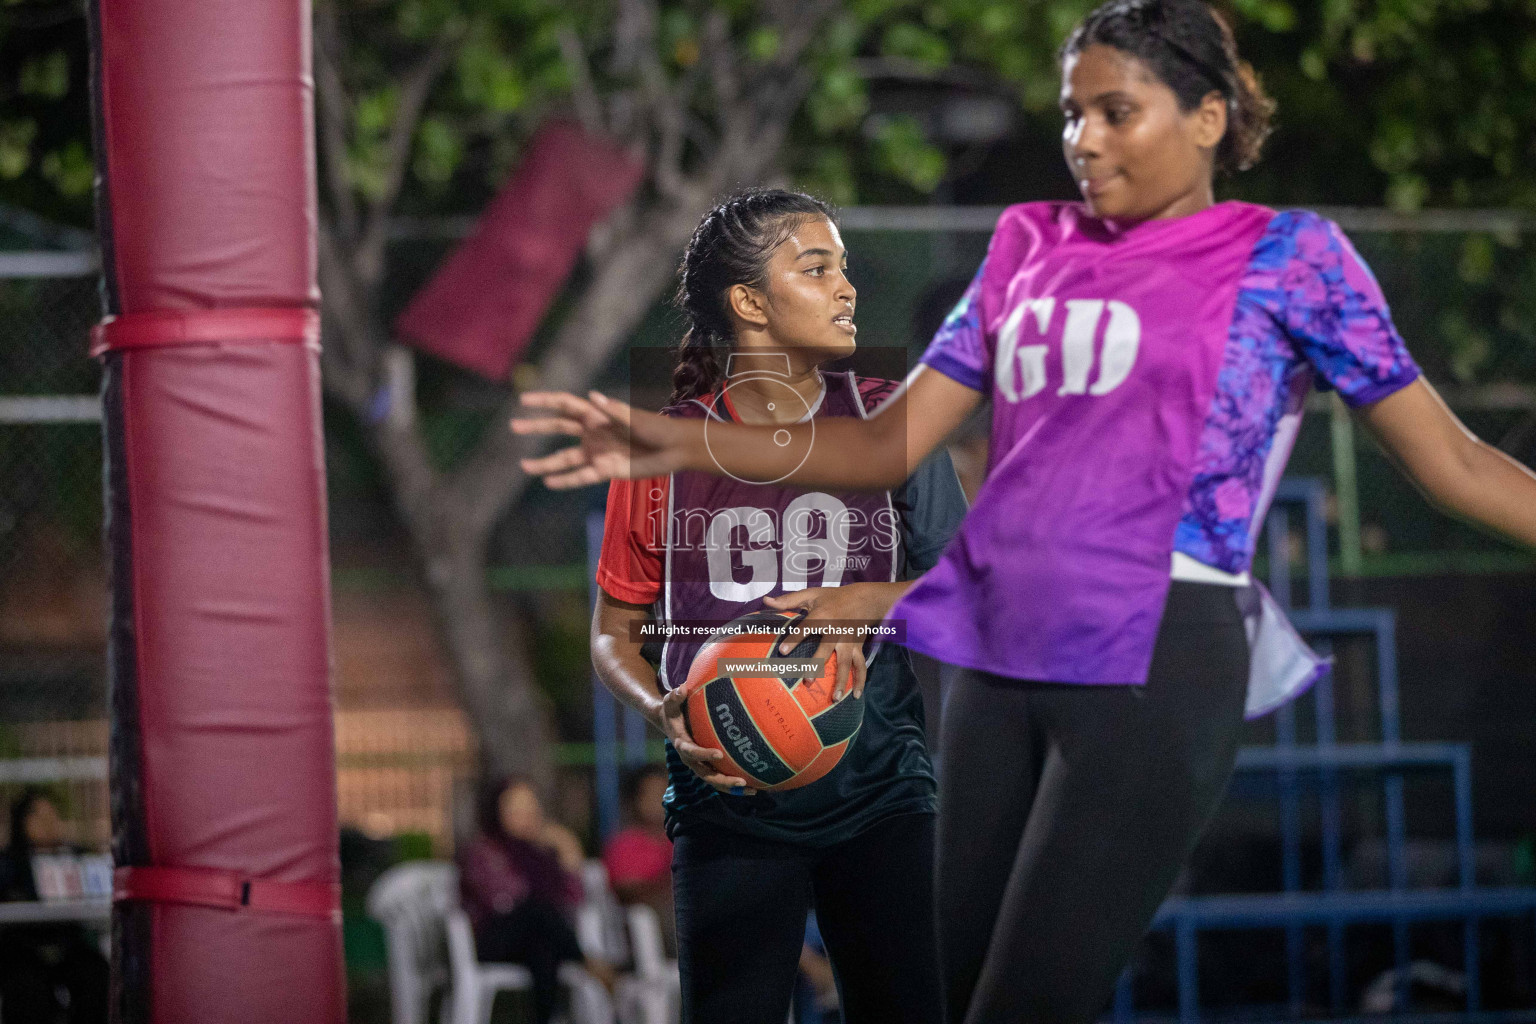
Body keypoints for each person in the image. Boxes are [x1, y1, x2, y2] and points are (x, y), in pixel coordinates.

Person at [512, 2, 1536, 1021]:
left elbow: (1452, 460)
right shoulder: (1026, 245)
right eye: (1069, 112)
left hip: (1155, 647)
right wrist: (681, 440)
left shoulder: (1292, 259)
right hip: (996, 662)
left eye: (1115, 111)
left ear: (1209, 117)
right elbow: (882, 442)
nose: (1082, 139)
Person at [587, 188, 968, 1024]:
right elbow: (613, 634)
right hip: (729, 801)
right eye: (818, 266)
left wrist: (873, 600)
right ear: (752, 302)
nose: (847, 287)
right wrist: (662, 708)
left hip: (880, 791)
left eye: (846, 267)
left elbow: (979, 594)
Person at [457, 776, 615, 1024]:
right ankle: (588, 961)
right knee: (535, 912)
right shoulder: (483, 852)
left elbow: (573, 901)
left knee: (542, 948)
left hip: (536, 938)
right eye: (515, 809)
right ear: (496, 811)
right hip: (494, 940)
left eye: (531, 808)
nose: (526, 815)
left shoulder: (543, 854)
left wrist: (569, 853)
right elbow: (509, 900)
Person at [0, 789, 109, 1024]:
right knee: (26, 989)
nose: (48, 825)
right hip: (24, 950)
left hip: (70, 946)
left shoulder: (77, 857)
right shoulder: (9, 863)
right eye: (39, 817)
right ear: (22, 822)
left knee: (96, 976)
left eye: (53, 817)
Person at [601, 765, 675, 953]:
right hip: (648, 930)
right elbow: (627, 891)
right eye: (651, 794)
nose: (660, 800)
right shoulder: (625, 844)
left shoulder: (680, 839)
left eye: (665, 792)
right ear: (635, 800)